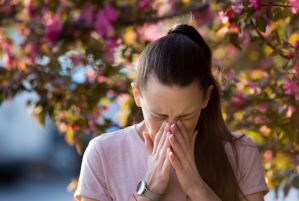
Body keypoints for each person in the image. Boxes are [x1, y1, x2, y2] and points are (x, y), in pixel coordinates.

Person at [74, 23, 270, 201]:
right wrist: (149, 191)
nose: (171, 127)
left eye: (186, 116)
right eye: (159, 115)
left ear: (206, 98)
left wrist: (197, 188)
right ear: (137, 95)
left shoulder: (240, 152)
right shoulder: (103, 153)